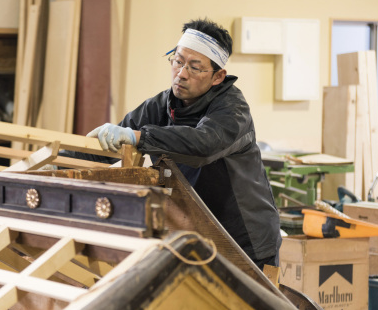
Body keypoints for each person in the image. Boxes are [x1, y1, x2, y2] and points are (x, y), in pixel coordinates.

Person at [87, 18, 281, 270]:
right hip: (193, 233)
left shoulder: (233, 109)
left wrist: (139, 137)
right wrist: (49, 168)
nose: (181, 73)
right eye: (178, 61)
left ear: (217, 76)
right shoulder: (159, 106)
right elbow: (107, 150)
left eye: (195, 67)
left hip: (244, 241)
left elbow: (203, 145)